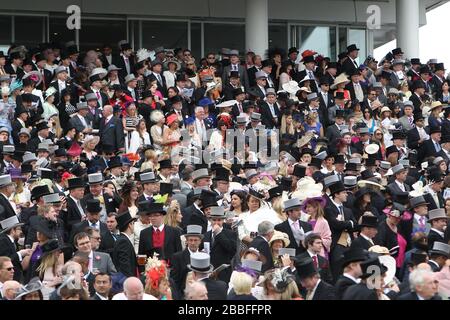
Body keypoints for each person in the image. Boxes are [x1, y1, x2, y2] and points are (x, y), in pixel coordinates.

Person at [112, 211, 138, 278]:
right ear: (130, 224)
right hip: (126, 280)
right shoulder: (123, 241)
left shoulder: (123, 239)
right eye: (133, 223)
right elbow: (125, 265)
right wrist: (131, 280)